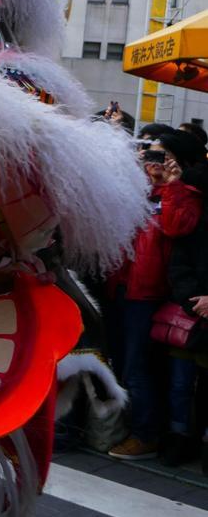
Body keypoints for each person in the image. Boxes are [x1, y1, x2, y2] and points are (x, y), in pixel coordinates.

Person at [107, 132, 203, 459]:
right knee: (123, 362)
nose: (156, 162)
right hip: (123, 283)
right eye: (151, 154)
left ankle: (146, 434)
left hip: (148, 291)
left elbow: (176, 227)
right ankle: (134, 427)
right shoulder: (149, 190)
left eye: (163, 156)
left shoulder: (185, 193)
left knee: (138, 367)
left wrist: (174, 184)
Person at [165, 202, 208, 470]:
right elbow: (179, 265)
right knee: (180, 384)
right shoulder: (198, 222)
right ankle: (179, 438)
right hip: (191, 316)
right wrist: (196, 302)